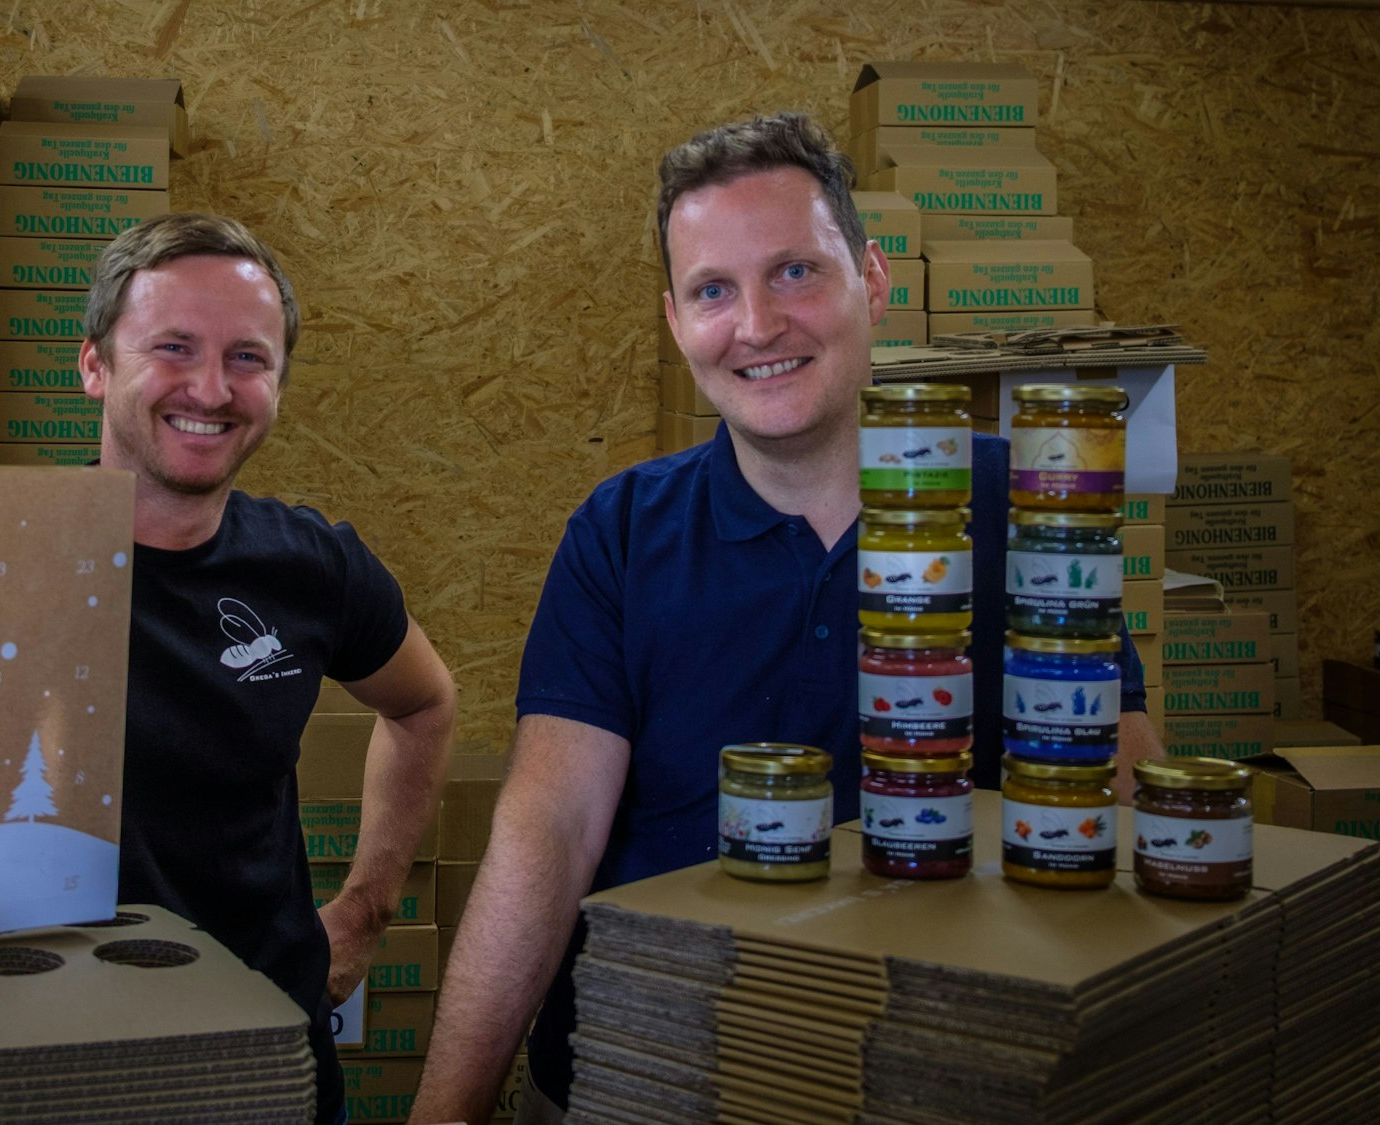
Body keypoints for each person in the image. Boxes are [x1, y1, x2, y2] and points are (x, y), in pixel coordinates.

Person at [408, 113, 1161, 1125]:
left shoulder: (1030, 508)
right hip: (643, 1065)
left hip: (934, 1076)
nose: (756, 324)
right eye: (712, 290)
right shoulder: (620, 532)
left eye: (795, 272)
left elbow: (1112, 782)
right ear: (674, 321)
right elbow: (550, 825)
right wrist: (446, 1111)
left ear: (874, 281)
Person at [79, 212, 457, 1124]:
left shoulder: (312, 567)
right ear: (94, 363)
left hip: (266, 1052)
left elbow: (426, 705)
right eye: (173, 346)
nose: (211, 388)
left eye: (248, 357)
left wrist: (363, 915)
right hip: (55, 1053)